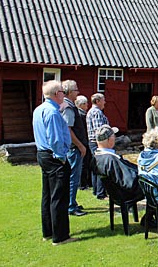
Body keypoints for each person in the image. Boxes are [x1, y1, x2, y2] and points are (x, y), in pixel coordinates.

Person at [32, 80, 77, 246]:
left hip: (43, 155)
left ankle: (48, 232)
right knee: (59, 196)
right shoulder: (52, 112)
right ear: (57, 94)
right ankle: (60, 236)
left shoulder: (39, 110)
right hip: (54, 157)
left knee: (48, 195)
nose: (64, 95)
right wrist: (61, 157)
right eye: (62, 93)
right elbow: (55, 138)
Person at [91, 125, 145, 202]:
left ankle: (150, 212)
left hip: (115, 193)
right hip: (126, 193)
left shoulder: (97, 157)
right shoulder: (110, 159)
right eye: (114, 136)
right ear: (110, 139)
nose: (115, 138)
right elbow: (129, 181)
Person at [60, 80, 88, 217]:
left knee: (73, 177)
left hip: (73, 148)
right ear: (70, 92)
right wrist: (80, 145)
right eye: (76, 89)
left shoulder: (68, 105)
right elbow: (68, 130)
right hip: (73, 149)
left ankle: (72, 202)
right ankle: (70, 205)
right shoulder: (68, 108)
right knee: (73, 178)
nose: (78, 91)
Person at [86, 93, 110, 200]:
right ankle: (100, 193)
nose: (105, 102)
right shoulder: (96, 112)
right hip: (97, 143)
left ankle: (96, 190)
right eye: (103, 100)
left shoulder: (93, 111)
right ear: (97, 101)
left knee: (96, 167)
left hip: (93, 142)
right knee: (101, 167)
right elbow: (99, 131)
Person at [75, 95, 93, 190]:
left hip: (84, 141)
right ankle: (82, 183)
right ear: (81, 105)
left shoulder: (82, 114)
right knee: (83, 163)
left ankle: (84, 182)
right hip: (83, 141)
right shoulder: (80, 115)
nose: (87, 105)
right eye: (86, 104)